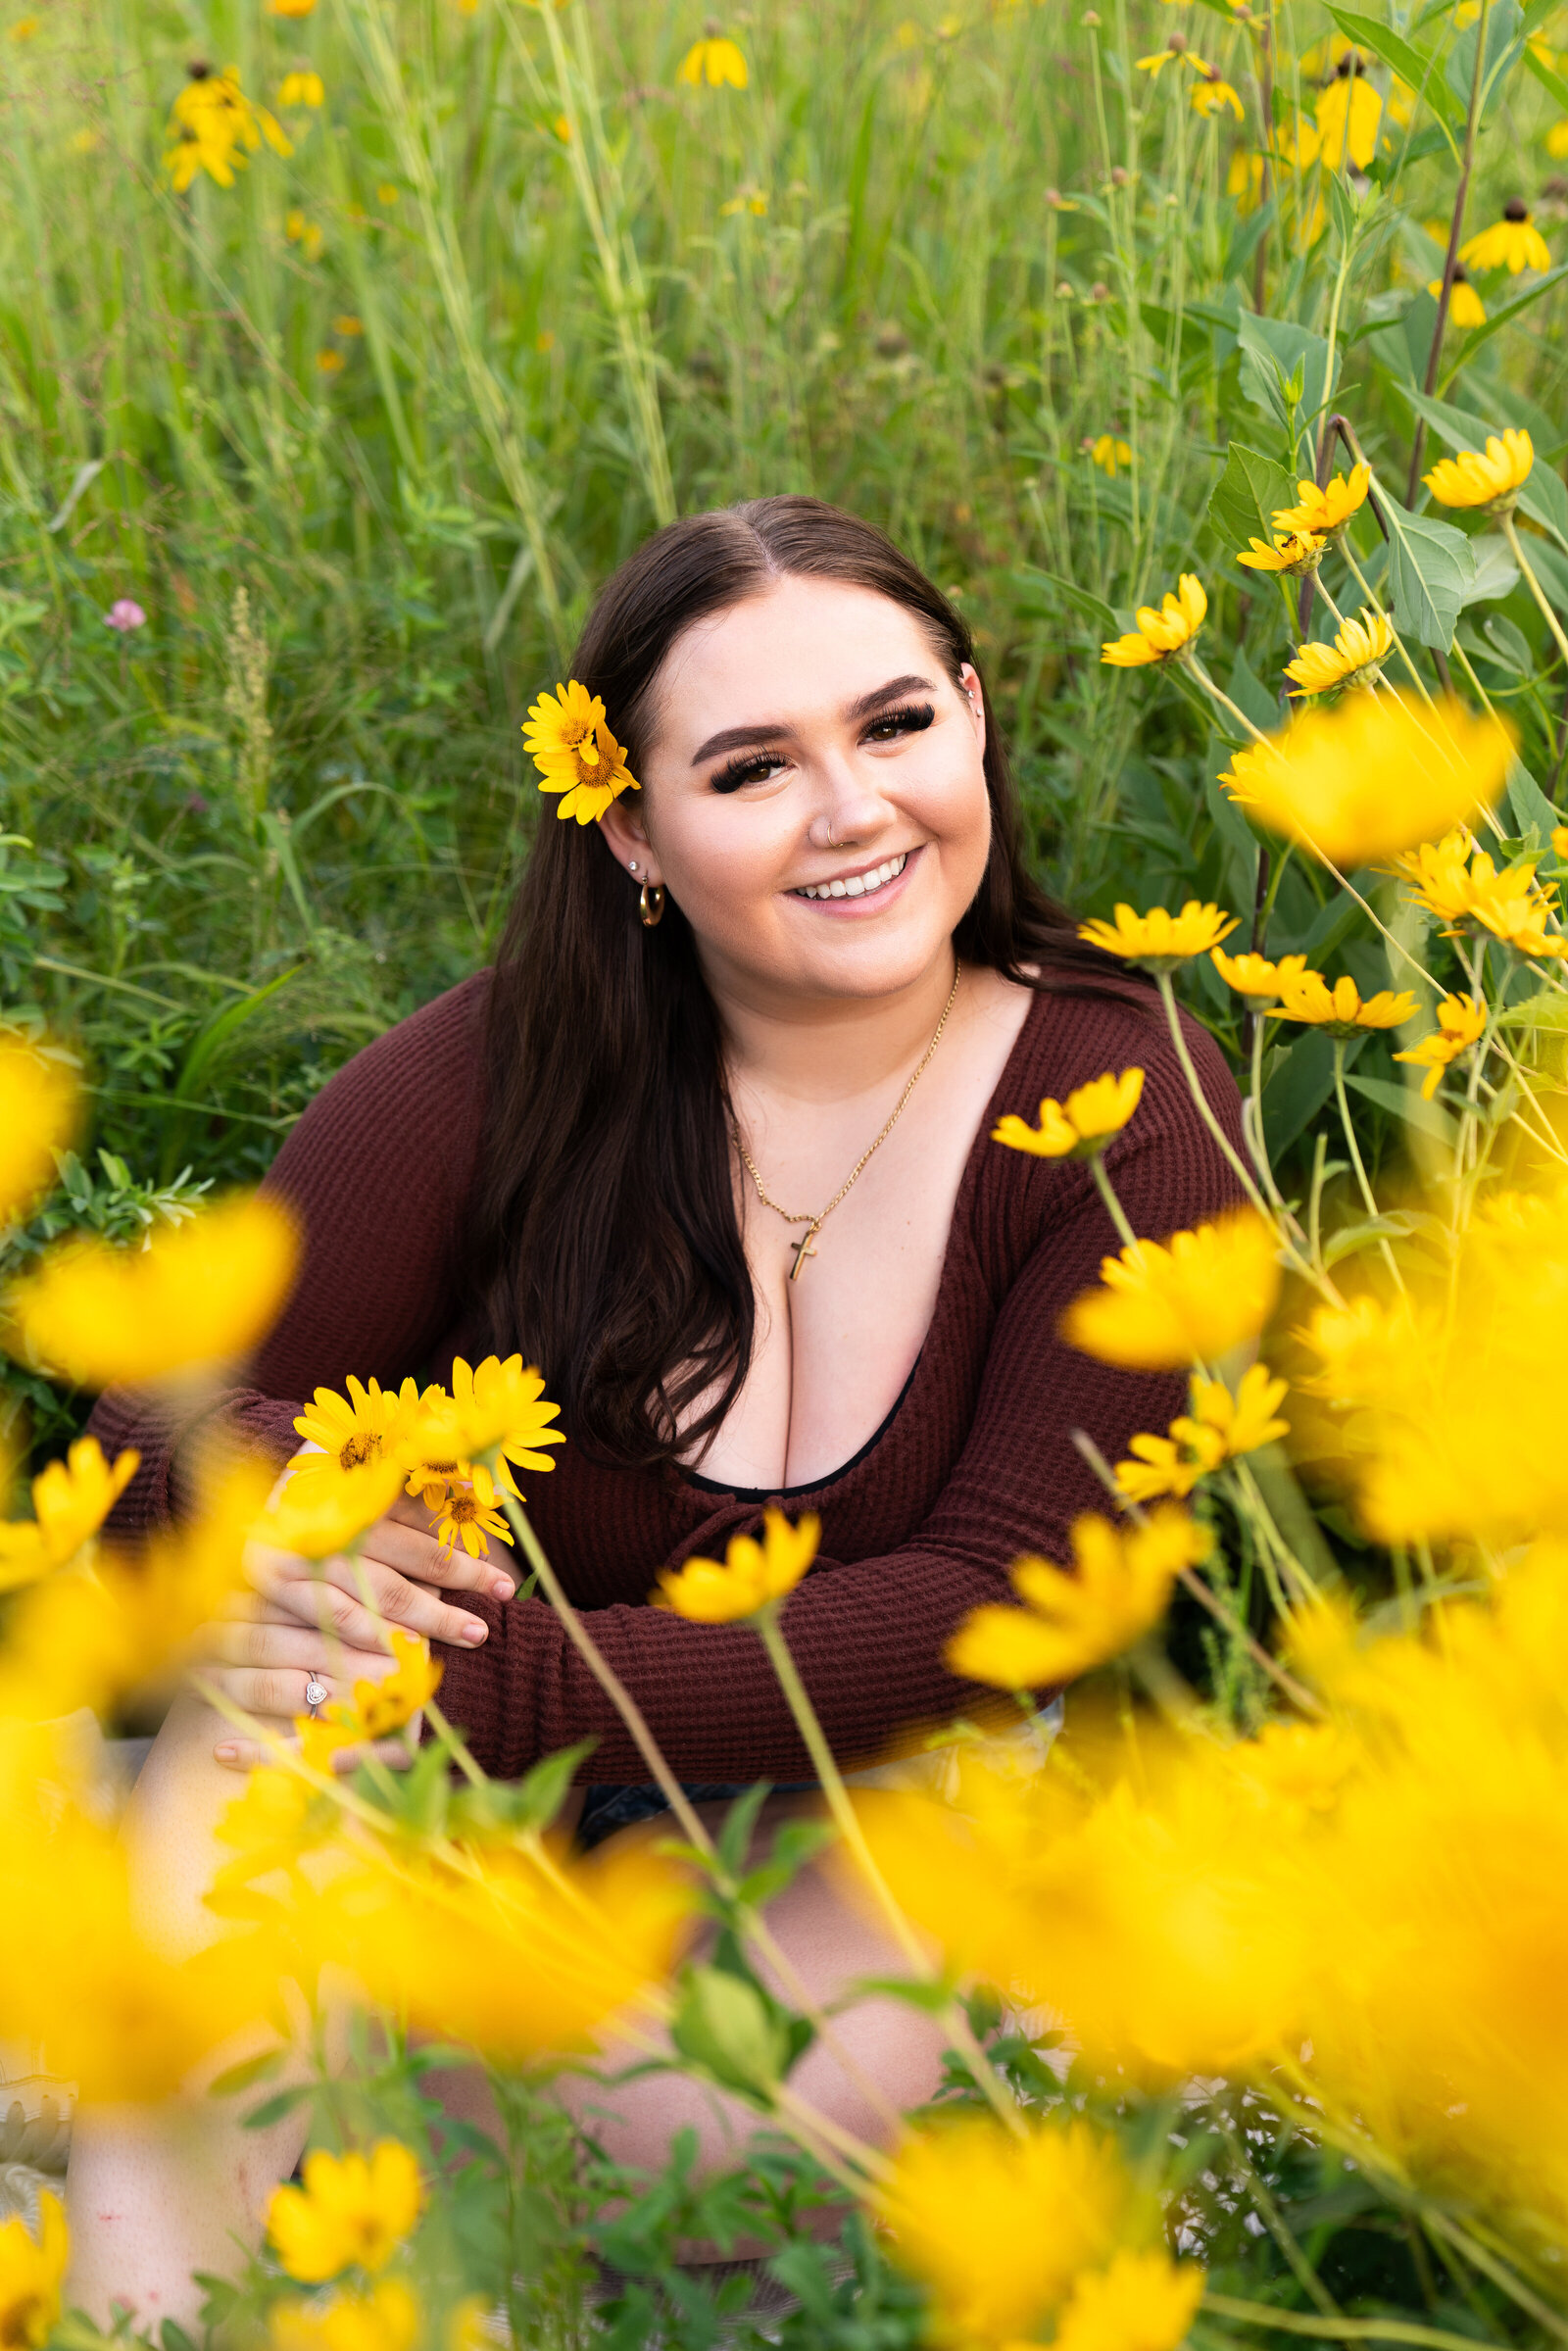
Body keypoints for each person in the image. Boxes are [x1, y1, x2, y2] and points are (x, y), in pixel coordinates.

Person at [71, 497, 1243, 2319]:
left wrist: (477, 1671)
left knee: (668, 2113)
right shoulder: (519, 1062)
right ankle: (146, 2314)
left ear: (976, 713)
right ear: (635, 825)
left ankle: (299, 2127)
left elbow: (999, 1594)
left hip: (882, 1813)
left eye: (896, 724)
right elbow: (176, 1394)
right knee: (264, 1710)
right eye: (753, 765)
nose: (852, 811)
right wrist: (284, 1534)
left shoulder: (1127, 1098)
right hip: (499, 1812)